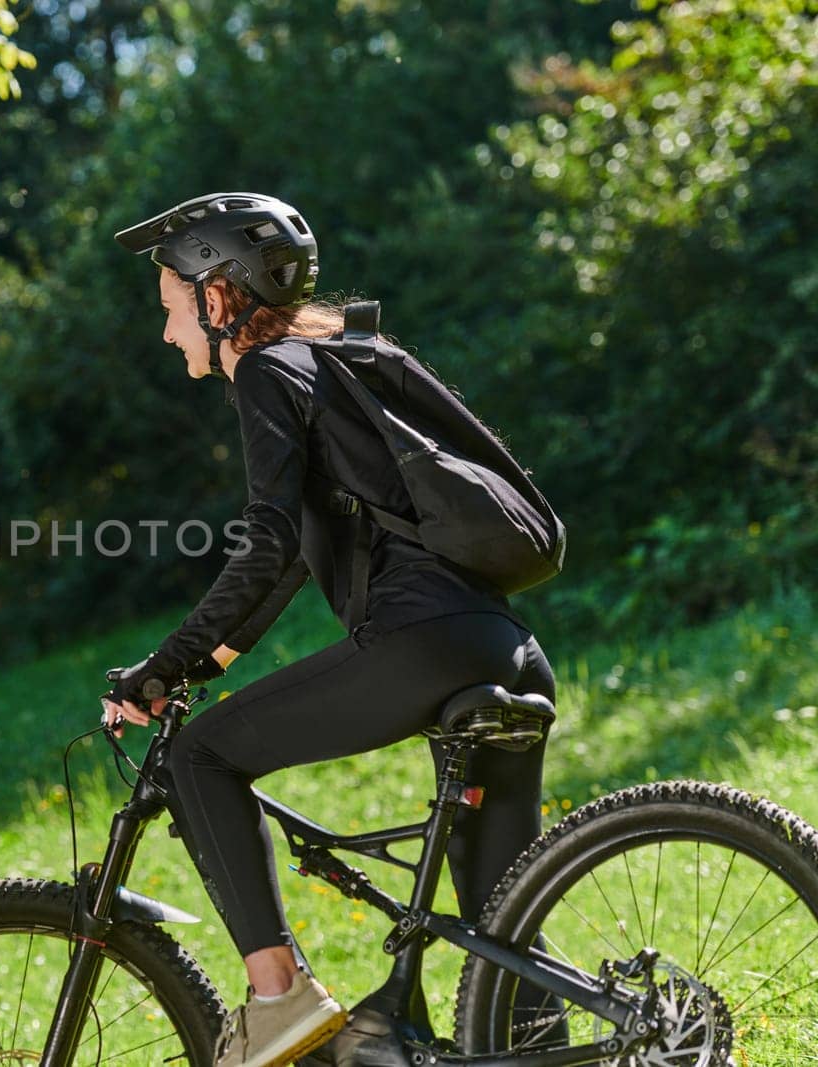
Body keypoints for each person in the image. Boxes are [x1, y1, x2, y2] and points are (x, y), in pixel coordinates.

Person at [101, 194, 556, 1067]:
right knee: (506, 945)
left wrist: (163, 665)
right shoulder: (337, 356)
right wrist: (207, 660)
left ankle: (280, 997)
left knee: (201, 757)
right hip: (503, 647)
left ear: (217, 296)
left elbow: (265, 538)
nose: (167, 335)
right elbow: (303, 555)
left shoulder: (269, 370)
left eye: (168, 308)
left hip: (418, 642)